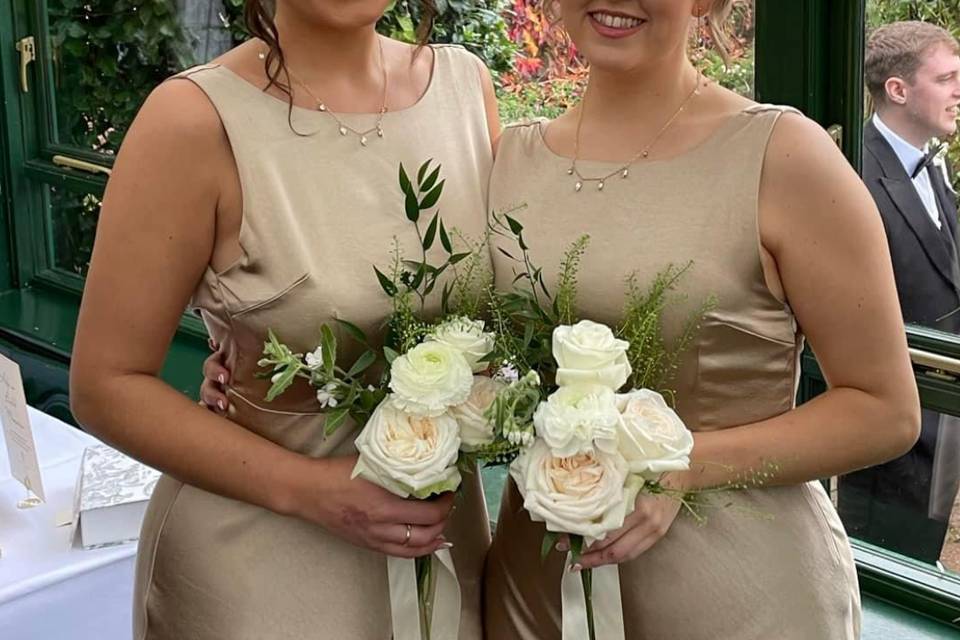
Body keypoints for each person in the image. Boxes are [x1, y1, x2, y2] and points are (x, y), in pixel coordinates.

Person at [481, 1, 919, 638]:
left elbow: (886, 410)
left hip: (735, 591)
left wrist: (684, 465)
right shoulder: (510, 159)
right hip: (540, 584)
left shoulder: (782, 156)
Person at [69, 1, 500, 638]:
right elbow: (105, 385)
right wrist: (311, 489)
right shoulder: (192, 120)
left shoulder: (466, 87)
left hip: (441, 547)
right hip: (262, 572)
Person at [838, 20, 960, 564]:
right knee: (886, 565)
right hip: (893, 421)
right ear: (898, 90)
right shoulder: (854, 175)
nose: (959, 93)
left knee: (924, 543)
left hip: (942, 410)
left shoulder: (932, 160)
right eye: (947, 79)